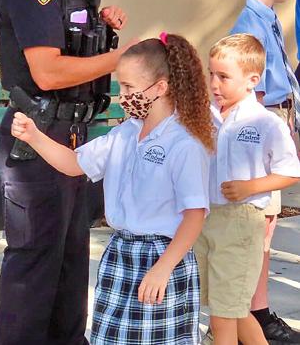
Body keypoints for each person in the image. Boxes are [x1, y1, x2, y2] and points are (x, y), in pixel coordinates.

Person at [0, 0, 133, 345]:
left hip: (73, 133)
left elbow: (69, 42)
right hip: (38, 136)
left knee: (71, 260)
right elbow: (48, 72)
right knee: (34, 263)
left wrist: (101, 26)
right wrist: (122, 59)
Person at [11, 34, 213, 345]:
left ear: (161, 87)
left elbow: (194, 216)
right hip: (121, 254)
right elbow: (74, 164)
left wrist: (163, 269)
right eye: (122, 87)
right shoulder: (124, 133)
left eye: (131, 88)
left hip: (162, 258)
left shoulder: (184, 144)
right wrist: (34, 137)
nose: (124, 97)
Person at [195, 34, 300, 344]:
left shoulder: (265, 123)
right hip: (206, 219)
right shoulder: (208, 118)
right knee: (229, 306)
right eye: (211, 74)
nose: (214, 83)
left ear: (252, 80)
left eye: (223, 77)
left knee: (225, 313)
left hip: (241, 223)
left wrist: (249, 187)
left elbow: (290, 171)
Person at [230, 0, 300, 343]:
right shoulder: (250, 27)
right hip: (264, 127)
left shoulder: (265, 18)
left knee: (266, 227)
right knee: (259, 228)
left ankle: (256, 310)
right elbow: (249, 94)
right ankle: (253, 317)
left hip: (277, 121)